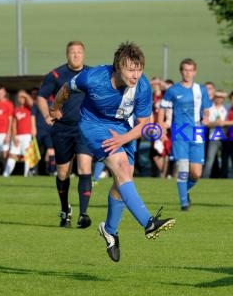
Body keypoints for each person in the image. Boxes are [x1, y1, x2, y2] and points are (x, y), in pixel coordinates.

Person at [49, 41, 176, 262]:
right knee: (122, 168)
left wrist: (124, 137)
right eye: (130, 69)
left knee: (122, 181)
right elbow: (66, 89)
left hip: (124, 130)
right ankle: (149, 223)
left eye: (139, 69)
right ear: (118, 67)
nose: (136, 75)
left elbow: (144, 125)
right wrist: (56, 107)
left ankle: (109, 231)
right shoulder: (93, 77)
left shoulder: (143, 87)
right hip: (93, 126)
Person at [38, 41, 94, 228]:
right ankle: (65, 209)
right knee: (63, 173)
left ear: (84, 55)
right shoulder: (56, 74)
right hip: (62, 129)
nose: (76, 55)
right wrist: (47, 114)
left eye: (79, 52)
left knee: (85, 168)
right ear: (67, 55)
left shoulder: (91, 74)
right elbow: (41, 97)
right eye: (72, 52)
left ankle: (83, 214)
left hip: (85, 128)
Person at [158, 58, 211, 211]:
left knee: (196, 173)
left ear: (195, 72)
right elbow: (162, 109)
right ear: (181, 71)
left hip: (198, 132)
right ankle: (184, 204)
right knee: (182, 169)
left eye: (190, 70)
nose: (188, 73)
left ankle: (186, 190)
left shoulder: (201, 90)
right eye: (185, 70)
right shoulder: (173, 90)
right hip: (180, 132)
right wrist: (161, 128)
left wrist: (206, 116)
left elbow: (206, 109)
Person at [3, 90, 36, 176]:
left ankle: (26, 175)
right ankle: (5, 174)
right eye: (19, 97)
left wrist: (24, 94)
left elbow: (32, 103)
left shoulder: (29, 108)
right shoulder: (16, 110)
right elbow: (13, 124)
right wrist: (14, 137)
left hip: (27, 135)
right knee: (12, 155)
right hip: (17, 136)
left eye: (22, 98)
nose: (21, 99)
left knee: (27, 155)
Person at [0, 86, 14, 176]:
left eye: (1, 93)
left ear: (4, 93)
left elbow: (10, 120)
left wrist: (8, 134)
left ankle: (5, 173)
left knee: (4, 154)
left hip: (4, 134)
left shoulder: (9, 104)